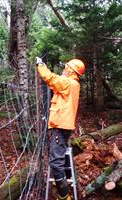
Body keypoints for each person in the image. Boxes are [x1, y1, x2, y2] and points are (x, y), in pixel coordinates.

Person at [35, 57, 85, 200]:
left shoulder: (68, 83)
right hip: (63, 126)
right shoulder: (72, 84)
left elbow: (50, 78)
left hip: (60, 127)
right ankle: (65, 181)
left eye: (66, 67)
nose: (64, 69)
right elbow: (54, 85)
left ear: (70, 70)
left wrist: (40, 65)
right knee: (59, 157)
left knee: (55, 163)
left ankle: (64, 196)